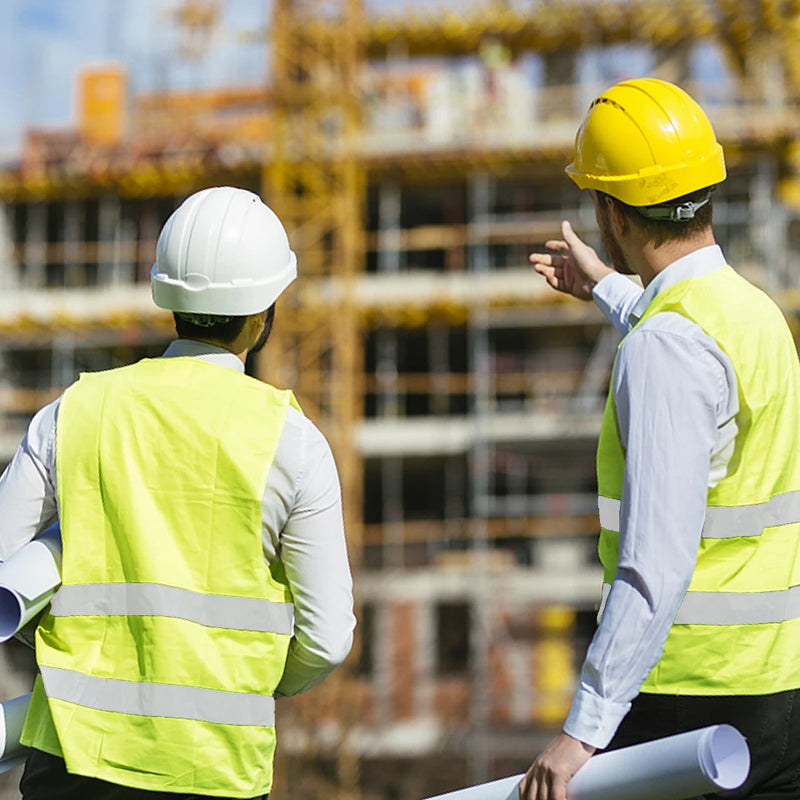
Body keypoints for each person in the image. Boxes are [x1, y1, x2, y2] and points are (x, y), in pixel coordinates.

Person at [0, 186, 356, 799]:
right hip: (213, 771)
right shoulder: (294, 443)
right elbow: (326, 639)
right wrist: (250, 681)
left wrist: (61, 649)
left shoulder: (72, 412)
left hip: (70, 764)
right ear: (263, 314)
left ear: (167, 296)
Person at [520, 79, 800, 800]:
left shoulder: (666, 345)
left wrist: (583, 730)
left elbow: (654, 562)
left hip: (684, 700)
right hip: (775, 692)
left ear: (610, 213)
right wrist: (605, 286)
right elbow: (679, 338)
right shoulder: (753, 311)